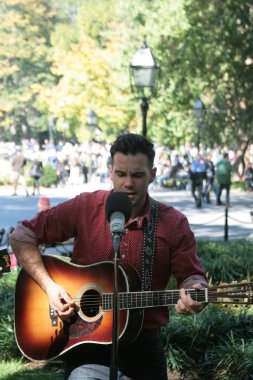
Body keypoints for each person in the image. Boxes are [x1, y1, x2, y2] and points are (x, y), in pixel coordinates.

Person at [10, 133, 208, 380]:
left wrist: (195, 290)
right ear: (110, 171)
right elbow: (22, 235)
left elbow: (191, 276)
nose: (128, 184)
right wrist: (49, 287)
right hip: (86, 349)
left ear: (153, 175)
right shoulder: (86, 207)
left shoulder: (173, 223)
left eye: (137, 175)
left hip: (144, 350)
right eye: (121, 174)